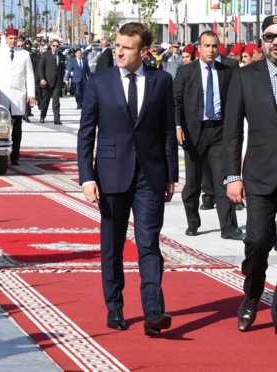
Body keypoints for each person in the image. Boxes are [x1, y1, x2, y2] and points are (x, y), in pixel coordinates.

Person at [77, 22, 178, 336]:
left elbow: (166, 131)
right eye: (117, 45)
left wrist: (171, 174)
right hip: (110, 174)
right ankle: (115, 305)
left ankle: (153, 311)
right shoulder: (99, 81)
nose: (118, 51)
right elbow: (86, 133)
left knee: (148, 244)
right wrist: (86, 178)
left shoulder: (161, 81)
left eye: (126, 47)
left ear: (143, 51)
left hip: (150, 175)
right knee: (113, 244)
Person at [224, 15, 277, 332]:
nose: (276, 42)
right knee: (257, 242)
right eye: (270, 36)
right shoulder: (245, 77)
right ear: (263, 40)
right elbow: (231, 132)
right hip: (259, 176)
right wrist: (233, 176)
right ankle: (253, 295)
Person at [173, 30, 241, 239]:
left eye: (214, 46)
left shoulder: (228, 69)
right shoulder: (186, 72)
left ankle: (228, 226)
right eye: (207, 46)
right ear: (199, 49)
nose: (211, 50)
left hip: (219, 131)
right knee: (193, 182)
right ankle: (193, 222)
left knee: (223, 179)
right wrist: (178, 126)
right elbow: (176, 102)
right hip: (194, 133)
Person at [0, 28, 36, 166]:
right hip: (0, 95)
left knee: (17, 127)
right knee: (0, 126)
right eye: (10, 38)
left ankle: (15, 156)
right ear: (6, 39)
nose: (13, 41)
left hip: (18, 95)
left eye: (15, 38)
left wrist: (31, 93)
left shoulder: (25, 54)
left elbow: (29, 75)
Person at [38, 39, 65, 124]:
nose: (55, 47)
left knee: (56, 101)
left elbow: (62, 69)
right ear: (51, 46)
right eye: (54, 46)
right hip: (47, 81)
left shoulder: (61, 56)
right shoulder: (45, 55)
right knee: (45, 101)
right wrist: (42, 78)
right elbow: (41, 67)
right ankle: (42, 116)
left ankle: (57, 119)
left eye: (57, 46)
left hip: (57, 82)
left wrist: (62, 79)